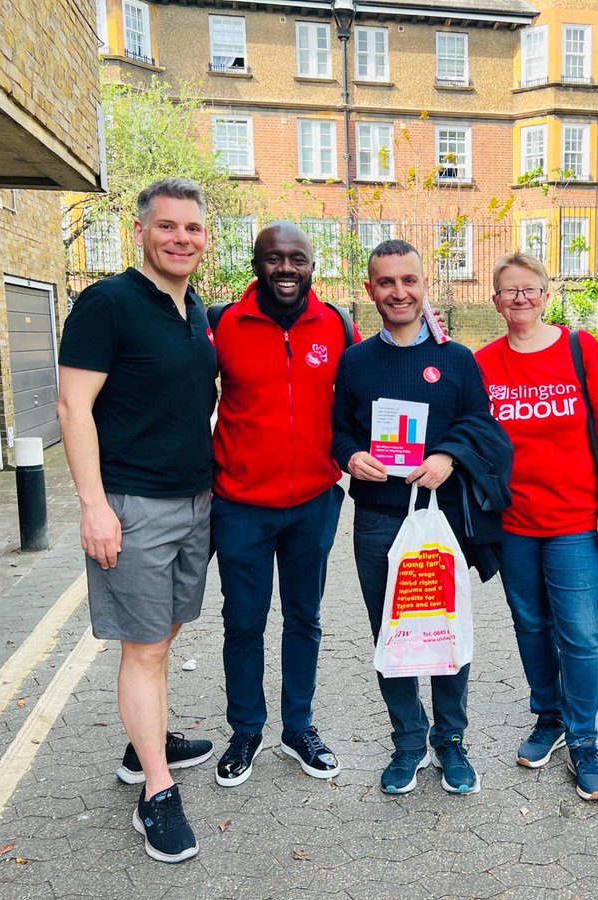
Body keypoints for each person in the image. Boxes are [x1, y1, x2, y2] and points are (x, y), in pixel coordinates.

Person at [57, 178, 216, 863]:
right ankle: (155, 790)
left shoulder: (195, 308)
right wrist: (94, 505)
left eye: (193, 229)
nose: (181, 238)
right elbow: (72, 407)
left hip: (195, 500)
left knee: (166, 630)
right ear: (141, 231)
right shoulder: (107, 303)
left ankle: (142, 739)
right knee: (144, 647)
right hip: (132, 504)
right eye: (168, 227)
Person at [332, 239, 511, 797]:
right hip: (379, 521)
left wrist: (448, 454)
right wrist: (349, 456)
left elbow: (484, 425)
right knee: (393, 636)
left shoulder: (456, 359)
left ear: (424, 284)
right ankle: (408, 741)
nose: (399, 292)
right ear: (370, 290)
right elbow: (337, 428)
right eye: (386, 282)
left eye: (408, 280)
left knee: (443, 631)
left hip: (441, 520)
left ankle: (451, 742)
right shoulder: (356, 361)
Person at [209, 222, 359, 789]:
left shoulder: (338, 325)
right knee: (243, 622)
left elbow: (361, 399)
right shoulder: (223, 323)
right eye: (275, 258)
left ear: (313, 264)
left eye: (297, 258)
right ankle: (245, 730)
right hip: (241, 506)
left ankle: (298, 727)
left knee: (304, 619)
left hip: (313, 503)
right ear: (256, 263)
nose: (286, 269)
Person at [474, 252, 598, 802]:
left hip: (575, 520)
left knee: (580, 634)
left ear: (545, 294)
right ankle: (550, 717)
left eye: (529, 289)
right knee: (529, 623)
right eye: (508, 290)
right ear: (495, 302)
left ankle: (584, 740)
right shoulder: (484, 361)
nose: (520, 298)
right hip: (514, 522)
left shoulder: (578, 348)